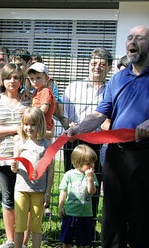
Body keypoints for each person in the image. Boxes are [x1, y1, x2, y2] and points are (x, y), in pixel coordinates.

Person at [67, 26, 149, 247]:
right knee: (113, 218)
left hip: (147, 156)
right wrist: (79, 128)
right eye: (130, 38)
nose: (132, 42)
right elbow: (101, 113)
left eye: (139, 38)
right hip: (116, 157)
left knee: (145, 219)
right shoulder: (118, 78)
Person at [61, 48, 112, 217]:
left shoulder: (111, 90)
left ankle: (89, 220)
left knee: (93, 182)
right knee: (72, 181)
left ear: (109, 68)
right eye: (94, 63)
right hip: (74, 141)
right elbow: (64, 116)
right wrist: (70, 124)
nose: (97, 67)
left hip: (98, 143)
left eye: (102, 64)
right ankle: (68, 219)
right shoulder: (73, 87)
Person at [0, 64, 29, 248]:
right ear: (2, 80)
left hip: (26, 157)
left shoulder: (28, 101)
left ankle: (24, 242)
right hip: (3, 156)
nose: (13, 81)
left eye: (17, 77)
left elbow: (34, 126)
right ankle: (11, 240)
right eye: (9, 77)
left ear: (21, 81)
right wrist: (17, 128)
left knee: (26, 197)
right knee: (8, 198)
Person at [11, 107, 54, 248]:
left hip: (39, 190)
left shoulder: (46, 146)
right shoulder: (19, 144)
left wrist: (47, 192)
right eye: (27, 124)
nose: (29, 128)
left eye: (33, 124)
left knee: (36, 225)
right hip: (21, 190)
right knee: (19, 225)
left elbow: (51, 170)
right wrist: (14, 165)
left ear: (40, 125)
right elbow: (14, 169)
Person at [58, 144, 99, 248]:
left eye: (93, 162)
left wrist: (89, 179)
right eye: (88, 163)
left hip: (85, 214)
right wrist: (60, 206)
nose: (92, 166)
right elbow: (63, 191)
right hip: (70, 213)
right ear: (78, 163)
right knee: (67, 239)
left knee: (84, 241)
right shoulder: (69, 175)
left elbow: (92, 192)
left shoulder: (92, 176)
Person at [26, 62, 55, 134]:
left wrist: (29, 113)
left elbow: (44, 109)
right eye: (32, 79)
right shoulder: (36, 91)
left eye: (38, 78)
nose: (35, 81)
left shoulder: (45, 91)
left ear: (47, 79)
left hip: (43, 127)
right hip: (38, 124)